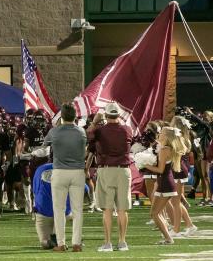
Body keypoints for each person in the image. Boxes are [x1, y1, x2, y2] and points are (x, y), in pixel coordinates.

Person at [88, 103, 132, 252]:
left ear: (106, 115)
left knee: (107, 209)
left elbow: (88, 137)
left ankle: (107, 243)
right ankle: (122, 242)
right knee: (122, 209)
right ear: (118, 115)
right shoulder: (127, 129)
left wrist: (95, 122)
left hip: (106, 170)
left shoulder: (100, 131)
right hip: (123, 170)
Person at [42, 103, 86, 252]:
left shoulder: (54, 132)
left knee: (59, 209)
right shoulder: (81, 132)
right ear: (74, 116)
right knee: (77, 210)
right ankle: (77, 243)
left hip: (60, 171)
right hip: (78, 172)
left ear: (62, 116)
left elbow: (44, 146)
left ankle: (61, 243)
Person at [142, 127, 188, 245]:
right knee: (155, 213)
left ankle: (168, 238)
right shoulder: (166, 148)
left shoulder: (165, 149)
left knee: (155, 213)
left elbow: (160, 170)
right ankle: (168, 236)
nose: (159, 134)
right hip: (165, 182)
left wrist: (145, 165)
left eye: (161, 133)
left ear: (166, 136)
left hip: (165, 183)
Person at [31, 163, 65, 250]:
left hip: (44, 212)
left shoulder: (40, 169)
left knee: (44, 243)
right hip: (65, 212)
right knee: (76, 213)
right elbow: (84, 189)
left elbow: (35, 191)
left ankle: (50, 241)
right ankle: (77, 240)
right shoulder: (69, 168)